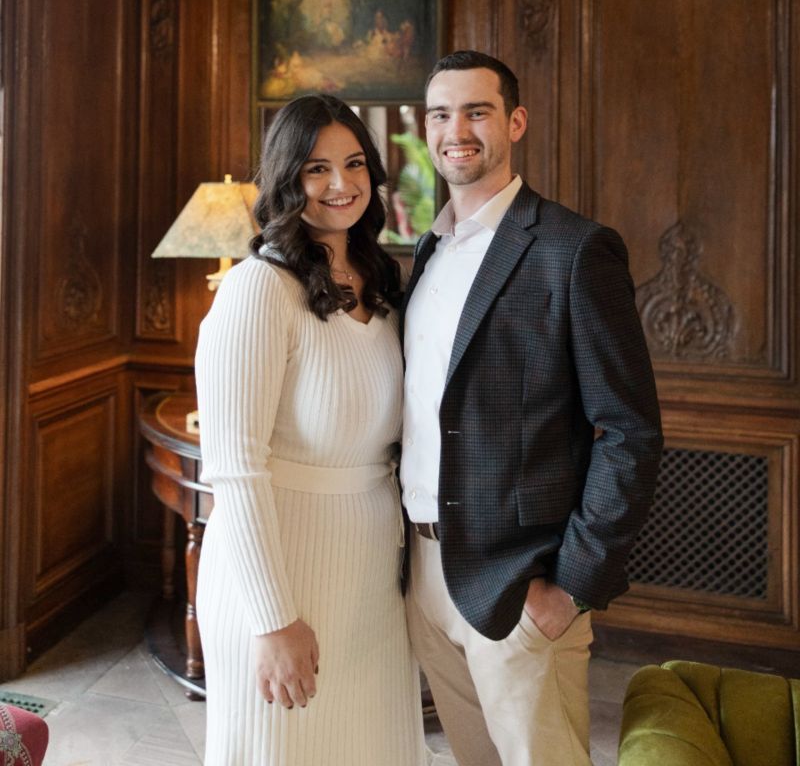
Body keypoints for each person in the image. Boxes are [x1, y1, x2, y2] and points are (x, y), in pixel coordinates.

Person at [400, 51, 663, 766]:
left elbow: (630, 432)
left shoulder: (574, 250)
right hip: (424, 571)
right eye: (441, 114)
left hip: (523, 585)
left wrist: (571, 587)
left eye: (477, 112)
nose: (457, 130)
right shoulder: (428, 251)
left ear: (514, 122)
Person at [195, 94, 426, 766]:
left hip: (371, 582)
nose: (340, 184)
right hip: (280, 580)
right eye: (316, 169)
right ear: (287, 178)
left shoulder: (380, 284)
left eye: (353, 164)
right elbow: (235, 471)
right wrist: (274, 619)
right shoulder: (257, 290)